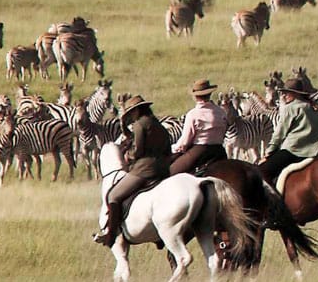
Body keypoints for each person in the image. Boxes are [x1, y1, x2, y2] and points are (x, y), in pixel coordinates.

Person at [94, 96, 172, 246]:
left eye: (131, 112)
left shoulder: (139, 125)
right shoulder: (159, 125)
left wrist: (128, 156)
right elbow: (168, 149)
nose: (131, 115)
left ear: (137, 110)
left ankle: (111, 234)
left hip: (144, 170)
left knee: (113, 195)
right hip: (163, 170)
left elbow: (137, 151)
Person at [260, 76, 318, 185]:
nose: (284, 95)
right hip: (314, 152)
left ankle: (273, 200)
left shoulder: (291, 108)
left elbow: (279, 134)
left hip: (292, 151)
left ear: (296, 93)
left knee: (261, 172)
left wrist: (268, 153)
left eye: (287, 93)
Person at [168, 79, 229, 175]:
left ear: (195, 97)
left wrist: (173, 148)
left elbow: (184, 142)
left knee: (169, 173)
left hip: (199, 152)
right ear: (210, 94)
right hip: (220, 151)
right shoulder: (221, 112)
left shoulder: (193, 114)